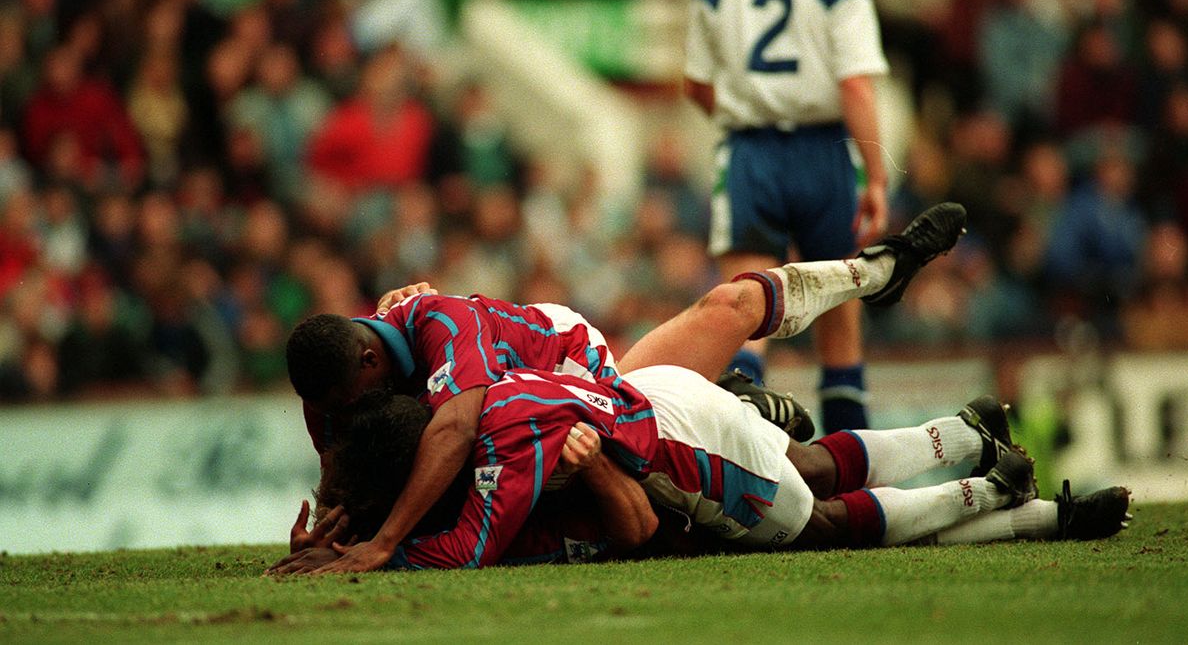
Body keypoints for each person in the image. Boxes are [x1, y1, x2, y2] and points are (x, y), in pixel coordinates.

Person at [283, 203, 967, 573]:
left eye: (341, 407)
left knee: (724, 311)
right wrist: (335, 521)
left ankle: (877, 271)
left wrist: (384, 540)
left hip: (581, 374)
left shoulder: (440, 323)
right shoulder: (338, 382)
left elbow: (458, 426)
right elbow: (342, 467)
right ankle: (748, 408)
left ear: (371, 361)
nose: (336, 421)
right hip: (540, 420)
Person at [269, 365, 1130, 573]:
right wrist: (347, 520)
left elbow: (470, 543)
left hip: (671, 443)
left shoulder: (492, 455)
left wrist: (385, 549)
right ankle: (969, 436)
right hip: (649, 390)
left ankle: (992, 485)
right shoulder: (447, 387)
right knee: (807, 467)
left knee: (809, 525)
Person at [683, 0, 891, 433]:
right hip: (824, 155)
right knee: (839, 317)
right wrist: (876, 177)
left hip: (752, 155)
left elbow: (697, 86)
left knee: (746, 314)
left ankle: (752, 475)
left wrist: (743, 115)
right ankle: (852, 471)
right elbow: (855, 86)